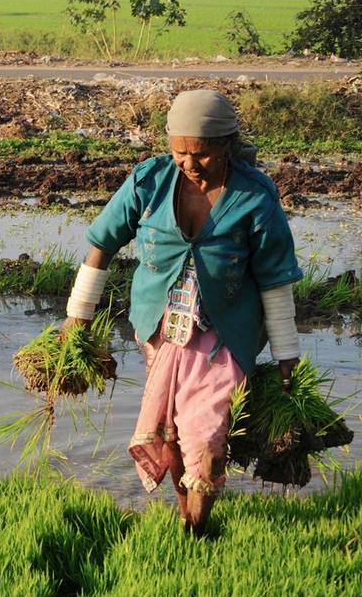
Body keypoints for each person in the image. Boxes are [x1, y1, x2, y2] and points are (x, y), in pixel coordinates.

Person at [61, 90, 302, 535]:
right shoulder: (148, 182)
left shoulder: (254, 196)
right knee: (171, 434)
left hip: (224, 338)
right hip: (160, 330)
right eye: (181, 153)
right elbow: (101, 245)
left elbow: (274, 277)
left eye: (203, 154)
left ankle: (196, 529)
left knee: (207, 436)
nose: (191, 165)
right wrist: (79, 314)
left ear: (228, 145)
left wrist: (287, 353)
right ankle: (185, 515)